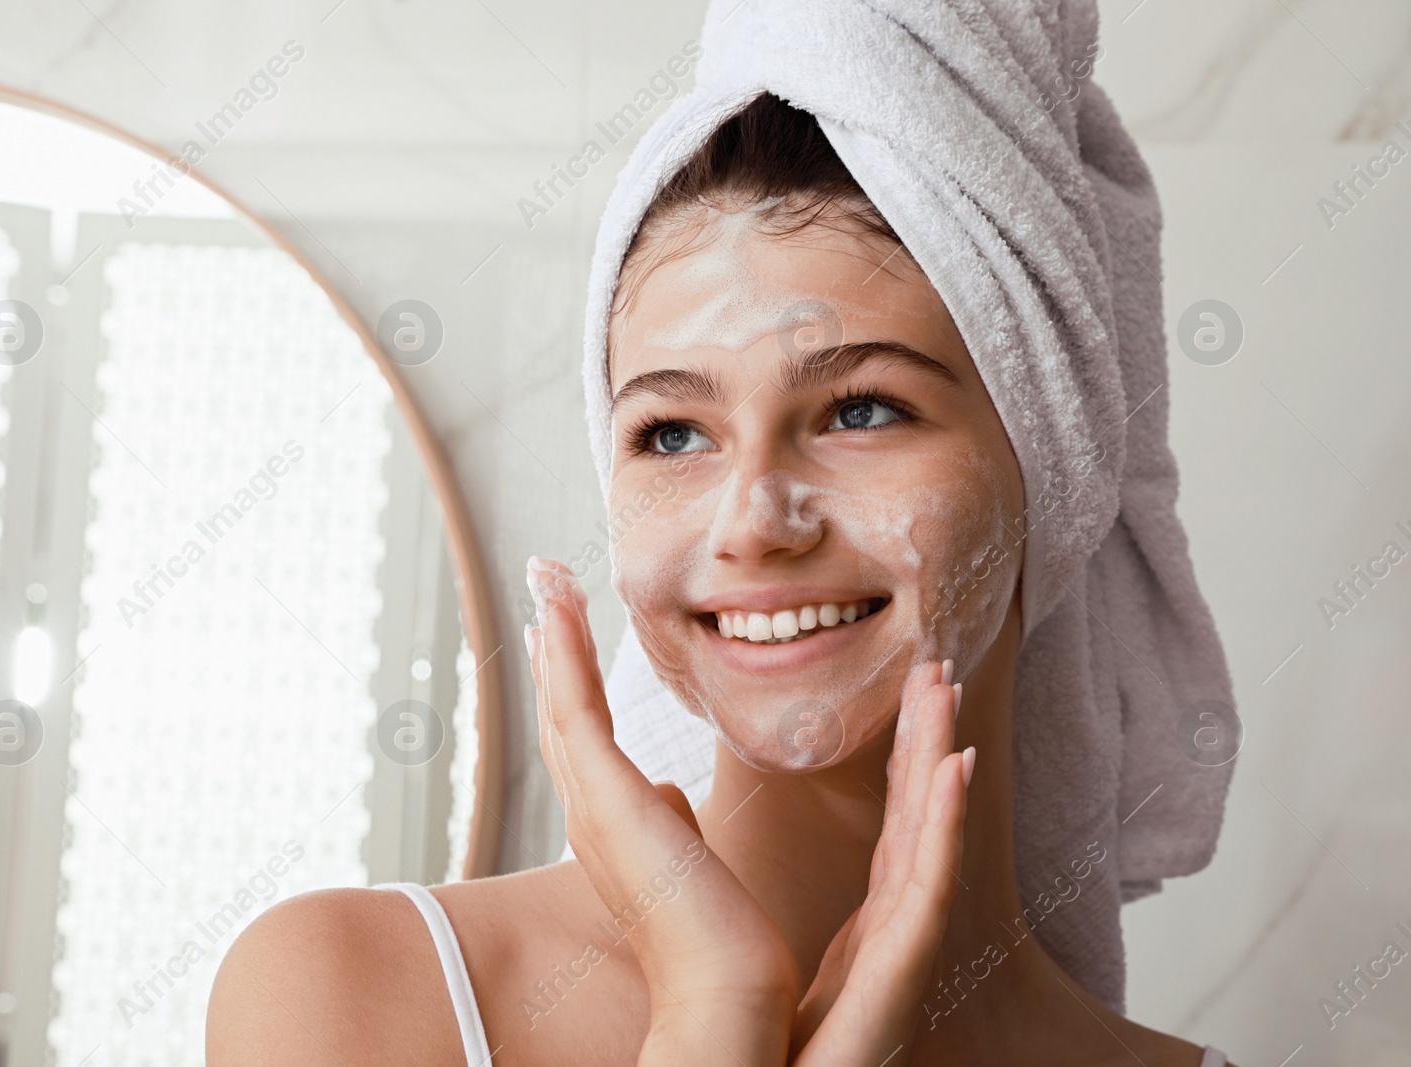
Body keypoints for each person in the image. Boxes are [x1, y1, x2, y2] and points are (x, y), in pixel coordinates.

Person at [206, 85, 1236, 1065]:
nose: (752, 521)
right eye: (671, 433)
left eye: (861, 408)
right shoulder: (357, 999)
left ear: (1048, 462)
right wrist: (710, 1010)